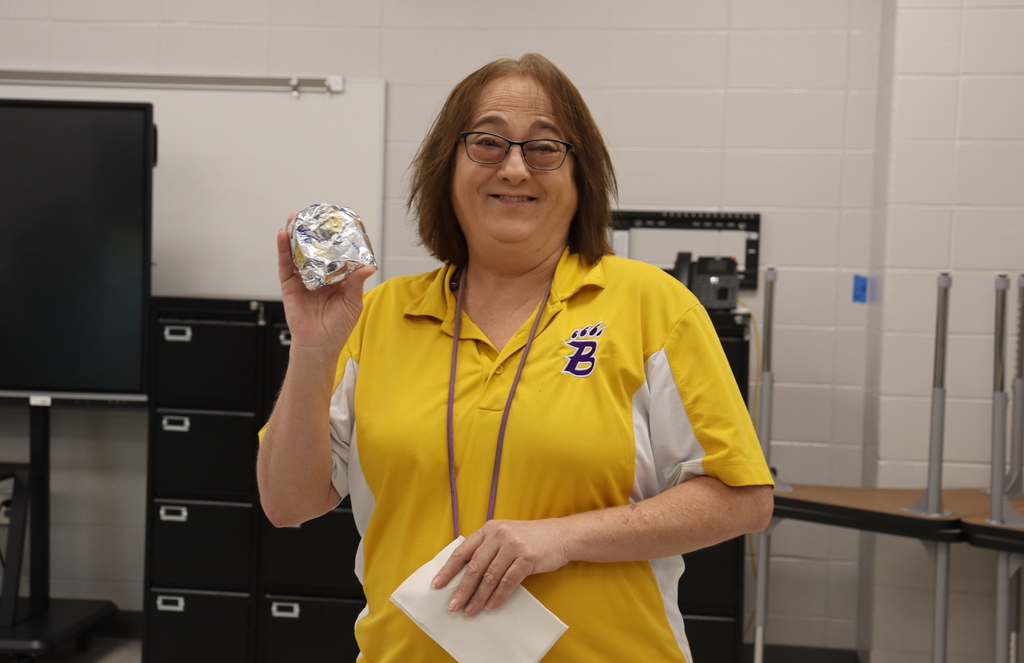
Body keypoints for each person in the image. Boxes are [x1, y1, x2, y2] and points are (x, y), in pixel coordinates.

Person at [257, 53, 774, 662]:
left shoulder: (651, 306)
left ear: (581, 176)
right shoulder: (379, 317)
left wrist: (563, 537)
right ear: (447, 167)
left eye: (545, 148)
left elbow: (742, 498)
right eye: (487, 142)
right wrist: (313, 350)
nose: (514, 167)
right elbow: (288, 503)